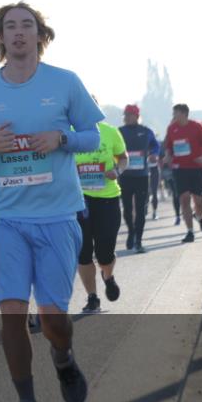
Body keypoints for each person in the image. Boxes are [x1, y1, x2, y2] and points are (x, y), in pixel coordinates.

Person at [0, 1, 102, 402]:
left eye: (27, 25)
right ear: (1, 37)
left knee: (54, 320)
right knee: (12, 314)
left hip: (57, 215)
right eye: (11, 26)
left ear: (40, 35)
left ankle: (63, 357)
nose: (19, 32)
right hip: (7, 218)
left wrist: (61, 138)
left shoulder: (65, 82)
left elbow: (92, 136)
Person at [75, 118, 127, 312]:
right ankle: (92, 297)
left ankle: (108, 275)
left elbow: (123, 157)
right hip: (80, 201)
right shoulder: (68, 133)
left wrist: (117, 170)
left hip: (107, 199)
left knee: (104, 254)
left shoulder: (110, 131)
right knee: (83, 252)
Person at [163, 104, 202, 243]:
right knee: (184, 200)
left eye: (176, 113)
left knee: (199, 203)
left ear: (184, 113)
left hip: (195, 168)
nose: (174, 116)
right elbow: (169, 147)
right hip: (179, 169)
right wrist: (168, 156)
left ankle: (199, 217)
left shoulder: (197, 126)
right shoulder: (171, 128)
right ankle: (190, 232)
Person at [117, 104, 159, 253]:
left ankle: (138, 241)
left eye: (129, 115)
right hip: (125, 176)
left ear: (136, 116)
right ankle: (131, 231)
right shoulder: (119, 132)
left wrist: (154, 154)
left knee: (141, 209)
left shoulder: (146, 131)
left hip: (142, 176)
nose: (126, 117)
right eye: (125, 115)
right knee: (127, 209)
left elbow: (155, 146)